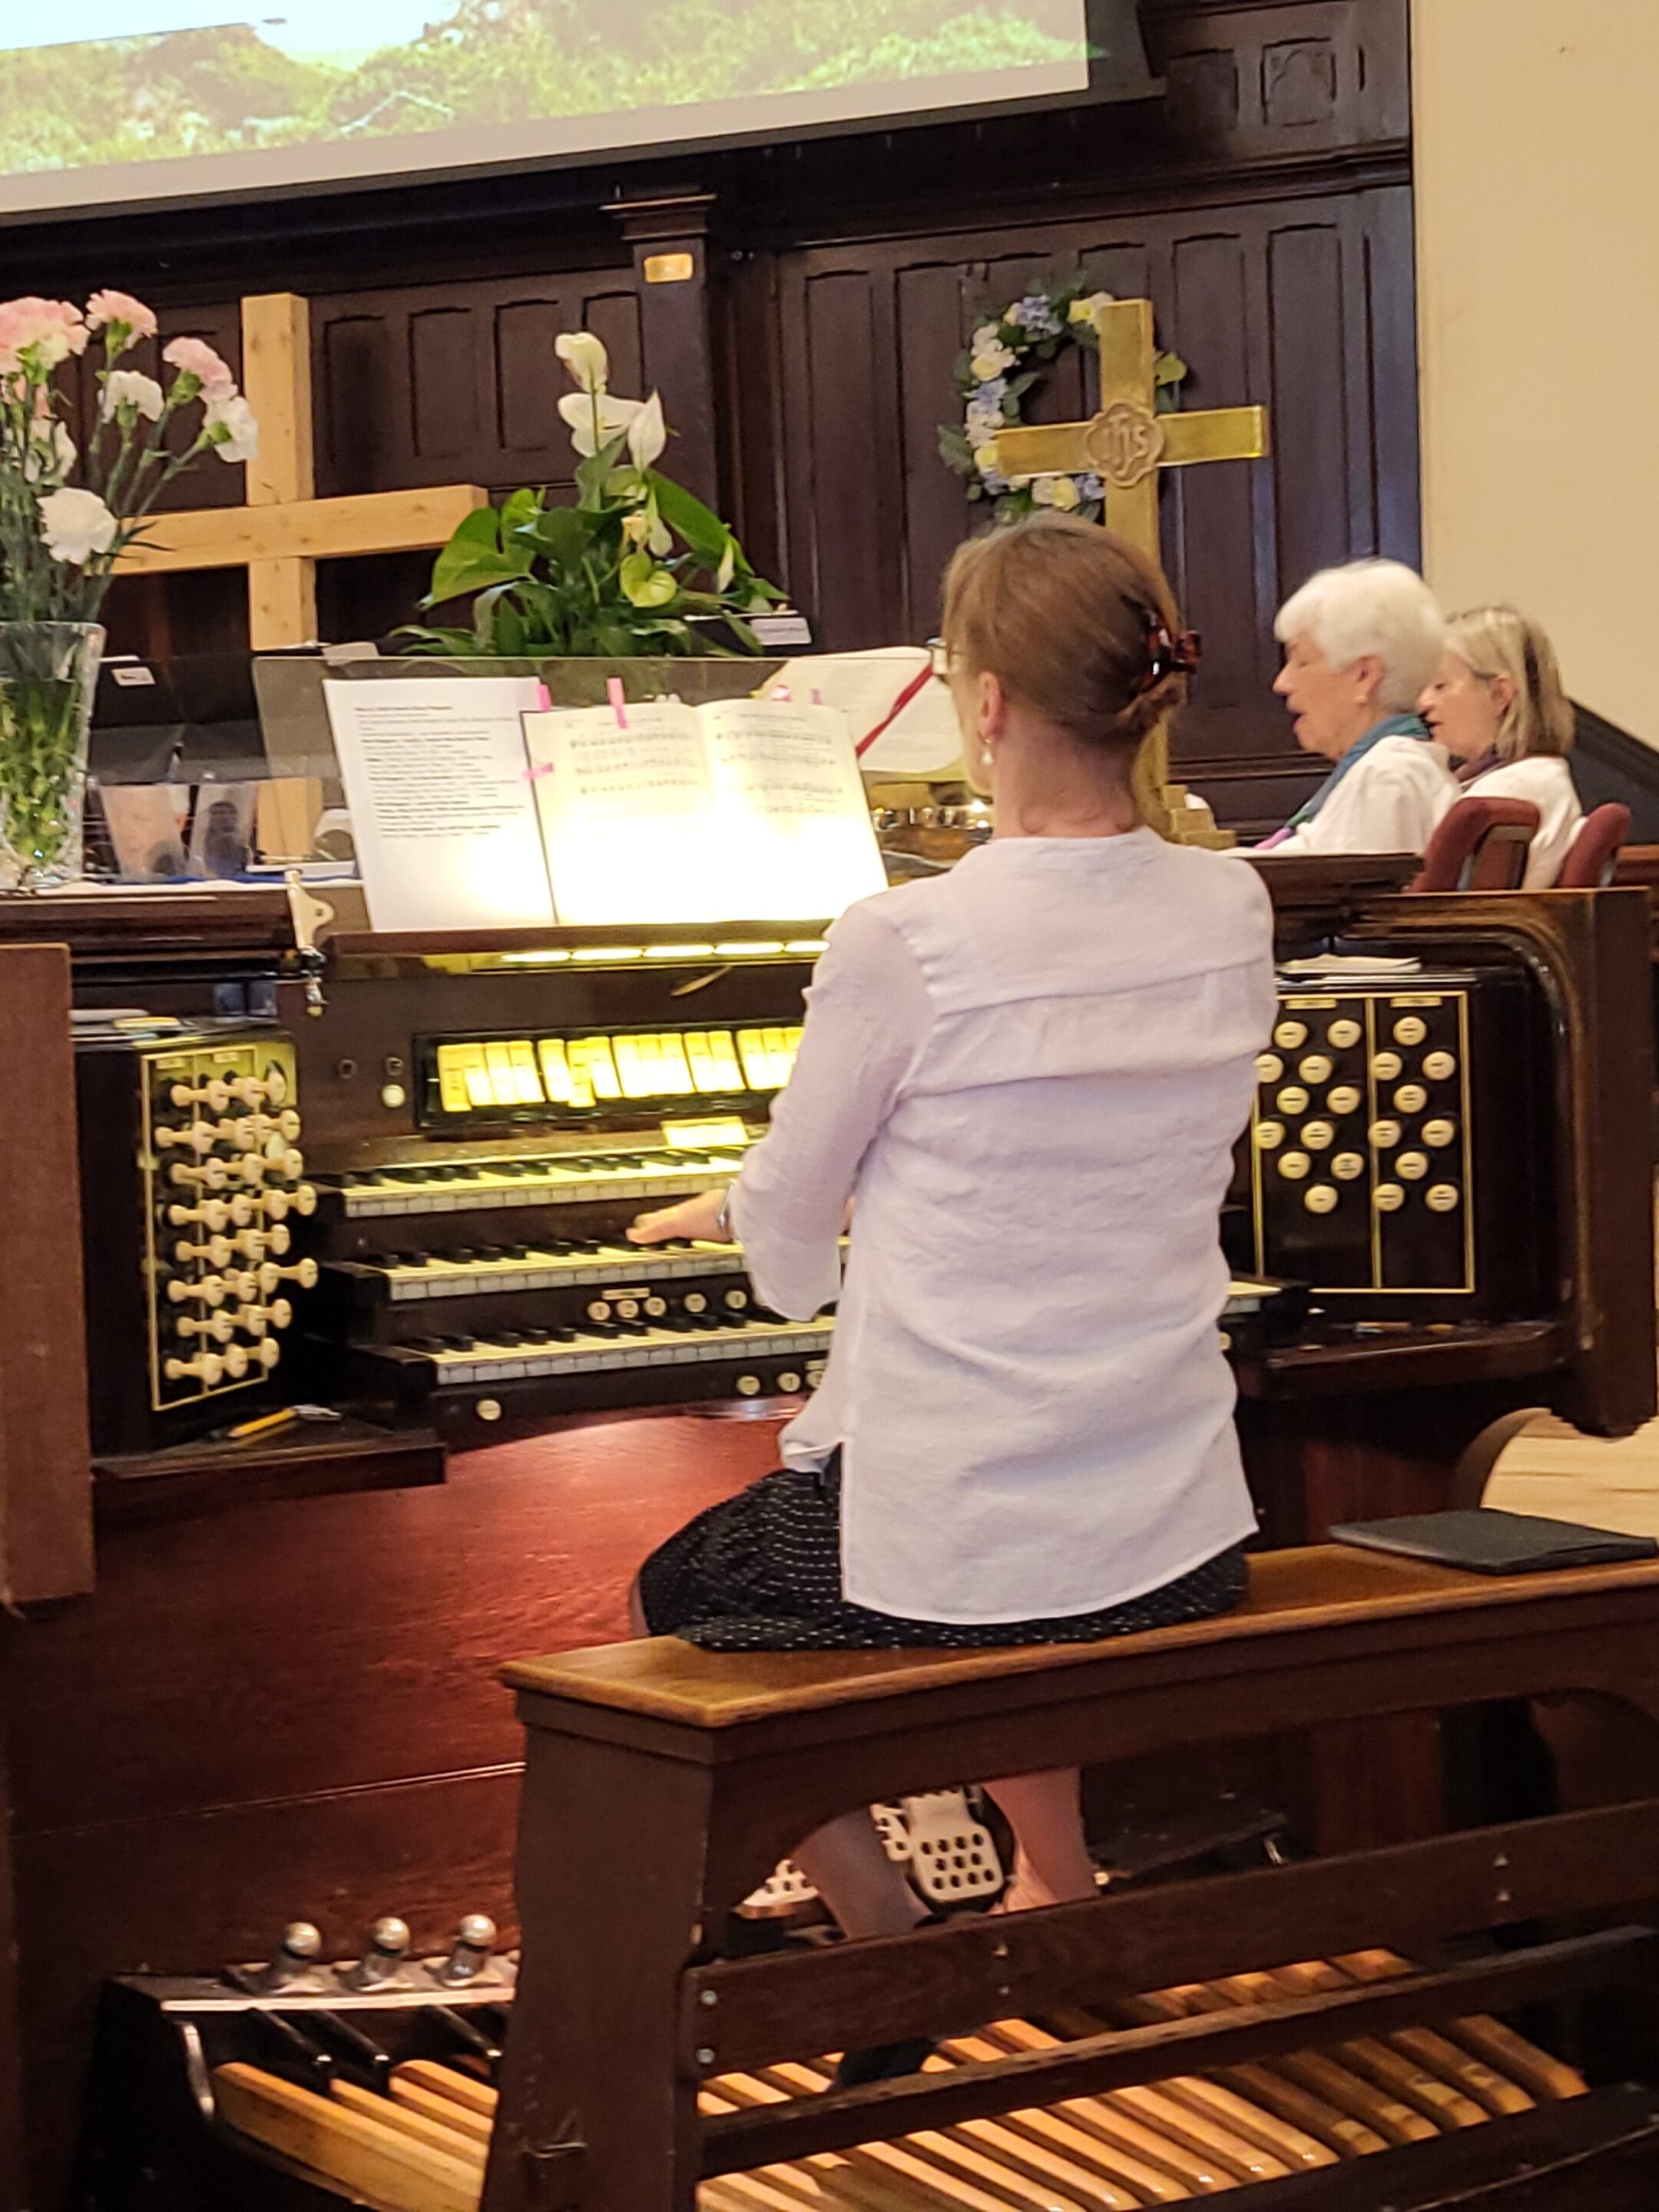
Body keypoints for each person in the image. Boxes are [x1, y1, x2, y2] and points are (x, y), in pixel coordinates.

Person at [625, 515, 1277, 2078]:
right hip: (1173, 1527)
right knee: (1010, 1503)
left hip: (978, 1544)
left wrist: (754, 1197)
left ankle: (886, 1946)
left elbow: (788, 1243)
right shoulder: (1232, 908)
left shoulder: (907, 937)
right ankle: (1056, 1881)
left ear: (981, 704)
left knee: (665, 1604)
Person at [1259, 558, 1455, 855]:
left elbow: (1361, 898)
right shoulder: (1392, 768)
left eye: (1301, 662)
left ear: (1364, 676)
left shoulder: (1386, 779)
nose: (1282, 683)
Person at [1417, 605, 1582, 889]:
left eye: (1440, 686)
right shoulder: (1538, 776)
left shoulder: (1505, 792)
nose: (1424, 703)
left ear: (1499, 694)